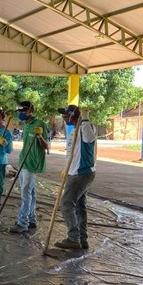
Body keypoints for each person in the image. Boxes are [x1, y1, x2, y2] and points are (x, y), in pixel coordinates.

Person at [54, 105, 97, 250]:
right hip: (74, 171)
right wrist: (66, 169)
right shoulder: (73, 130)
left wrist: (85, 119)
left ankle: (73, 238)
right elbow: (71, 152)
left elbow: (89, 139)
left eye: (66, 116)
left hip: (81, 172)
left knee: (66, 204)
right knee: (79, 206)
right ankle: (82, 238)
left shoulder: (87, 127)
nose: (64, 119)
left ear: (73, 115)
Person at [9, 101, 49, 233]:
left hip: (33, 163)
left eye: (23, 111)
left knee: (26, 193)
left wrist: (39, 137)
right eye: (19, 111)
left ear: (30, 111)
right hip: (23, 161)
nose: (21, 114)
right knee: (30, 192)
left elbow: (47, 146)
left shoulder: (40, 124)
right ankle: (31, 219)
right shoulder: (25, 124)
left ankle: (22, 223)